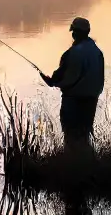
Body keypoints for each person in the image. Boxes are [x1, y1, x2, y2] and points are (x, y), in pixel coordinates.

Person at [41, 17, 105, 154]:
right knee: (85, 134)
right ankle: (88, 164)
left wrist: (50, 81)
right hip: (92, 99)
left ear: (75, 33)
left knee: (70, 135)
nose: (72, 35)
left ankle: (73, 165)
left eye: (73, 32)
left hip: (73, 100)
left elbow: (60, 77)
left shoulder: (71, 53)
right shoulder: (97, 52)